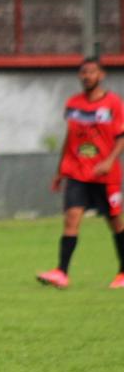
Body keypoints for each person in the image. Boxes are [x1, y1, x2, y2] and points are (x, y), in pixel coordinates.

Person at [36, 57, 124, 289]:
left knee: (115, 222)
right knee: (71, 219)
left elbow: (121, 137)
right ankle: (61, 272)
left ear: (101, 75)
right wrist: (59, 171)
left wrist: (109, 161)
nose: (87, 76)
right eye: (84, 72)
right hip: (77, 173)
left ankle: (123, 272)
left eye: (92, 72)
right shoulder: (73, 104)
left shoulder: (113, 104)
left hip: (105, 176)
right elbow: (70, 138)